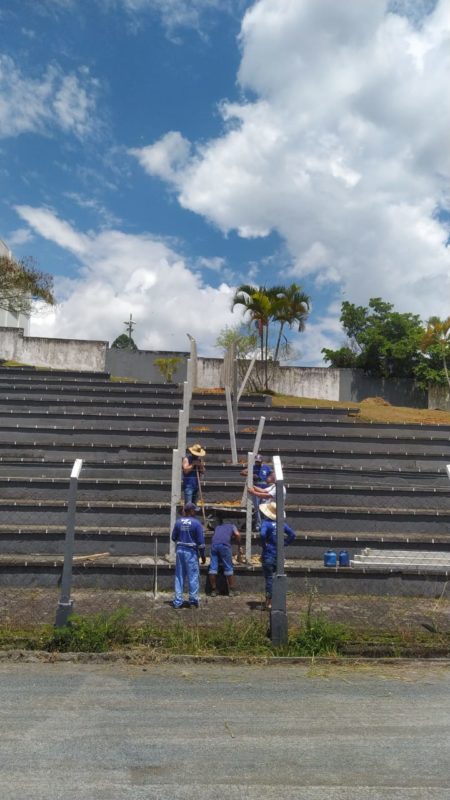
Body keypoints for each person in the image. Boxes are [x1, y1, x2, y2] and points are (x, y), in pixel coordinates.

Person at [259, 501, 295, 610]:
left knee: (269, 578)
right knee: (279, 577)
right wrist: (284, 544)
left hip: (268, 553)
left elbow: (262, 534)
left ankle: (268, 602)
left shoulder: (266, 523)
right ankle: (278, 601)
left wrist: (264, 544)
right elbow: (292, 535)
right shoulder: (281, 524)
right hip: (279, 554)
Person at [171, 502, 206, 608]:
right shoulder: (196, 523)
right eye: (194, 510)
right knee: (193, 575)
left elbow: (173, 538)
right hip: (191, 551)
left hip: (180, 549)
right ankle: (193, 599)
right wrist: (203, 556)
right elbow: (200, 542)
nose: (195, 512)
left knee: (179, 576)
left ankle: (178, 601)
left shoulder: (178, 522)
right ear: (190, 511)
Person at [208, 515, 242, 597]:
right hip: (224, 546)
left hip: (214, 546)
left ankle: (213, 590)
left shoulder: (218, 527)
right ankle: (232, 590)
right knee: (228, 567)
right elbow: (237, 534)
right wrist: (239, 545)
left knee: (213, 568)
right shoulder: (232, 526)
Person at [240, 454, 272, 531]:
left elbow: (272, 475)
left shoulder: (266, 467)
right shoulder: (253, 467)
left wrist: (269, 481)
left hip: (265, 488)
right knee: (257, 507)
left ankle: (265, 524)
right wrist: (250, 474)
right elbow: (242, 472)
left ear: (262, 461)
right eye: (257, 461)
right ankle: (258, 524)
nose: (258, 463)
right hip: (256, 487)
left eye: (259, 461)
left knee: (264, 507)